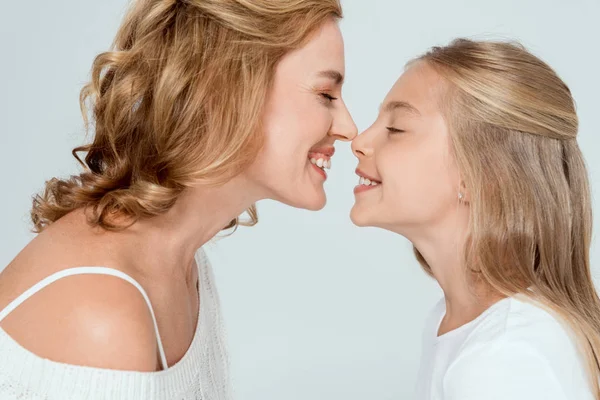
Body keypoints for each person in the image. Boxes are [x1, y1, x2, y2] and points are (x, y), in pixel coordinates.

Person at [0, 0, 356, 399]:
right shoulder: (105, 317)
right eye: (326, 94)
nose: (348, 127)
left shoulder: (184, 263)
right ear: (224, 89)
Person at [350, 38, 597, 399]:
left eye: (397, 128)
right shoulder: (454, 323)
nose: (359, 140)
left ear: (480, 173)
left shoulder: (503, 358)